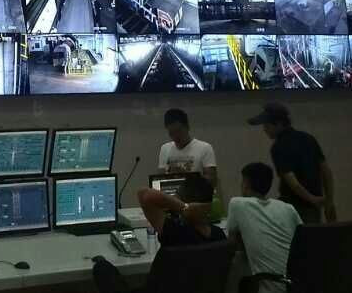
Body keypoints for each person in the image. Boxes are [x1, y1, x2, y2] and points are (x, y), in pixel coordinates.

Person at [248, 102, 335, 223]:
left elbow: (292, 181)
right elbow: (326, 172)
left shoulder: (278, 147)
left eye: (267, 125)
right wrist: (329, 201)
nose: (264, 129)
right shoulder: (308, 138)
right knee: (314, 233)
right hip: (314, 206)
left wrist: (312, 199)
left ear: (279, 123)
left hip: (294, 206)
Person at [228, 162, 302, 293]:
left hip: (275, 286)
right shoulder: (287, 208)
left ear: (246, 183)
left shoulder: (237, 204)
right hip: (301, 282)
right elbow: (305, 240)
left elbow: (231, 246)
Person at [137, 175, 226, 246]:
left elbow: (144, 194)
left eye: (176, 197)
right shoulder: (219, 235)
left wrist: (184, 208)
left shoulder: (174, 233)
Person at [158, 109, 219, 189]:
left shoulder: (205, 148)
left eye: (178, 131)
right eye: (171, 133)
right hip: (171, 192)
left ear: (187, 127)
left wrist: (186, 176)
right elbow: (159, 179)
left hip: (196, 193)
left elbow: (212, 181)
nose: (176, 136)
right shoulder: (165, 149)